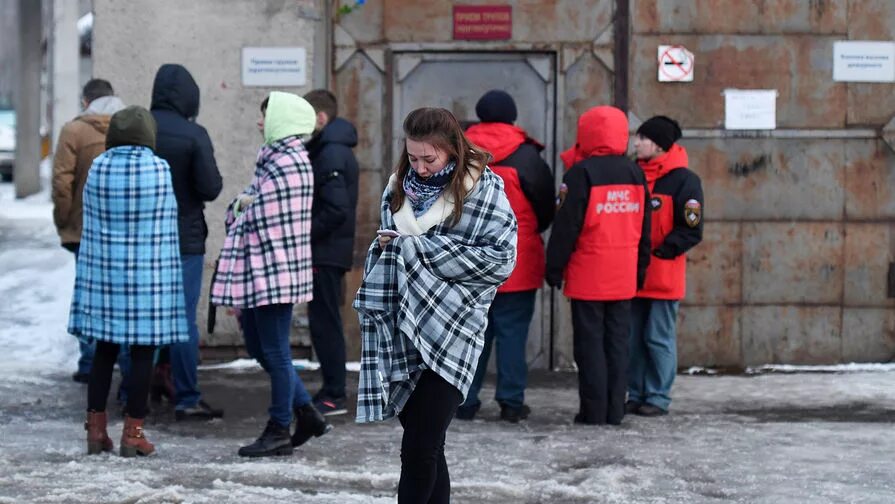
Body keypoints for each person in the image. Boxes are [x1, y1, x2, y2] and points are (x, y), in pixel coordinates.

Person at [354, 107, 517, 503]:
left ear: (453, 151)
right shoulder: (397, 190)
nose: (421, 167)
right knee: (429, 449)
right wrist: (390, 249)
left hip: (456, 330)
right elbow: (388, 250)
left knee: (418, 450)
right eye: (413, 157)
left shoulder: (484, 189)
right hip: (402, 330)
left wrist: (417, 249)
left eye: (430, 158)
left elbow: (501, 259)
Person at [211, 92, 331, 458]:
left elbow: (254, 214)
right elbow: (242, 206)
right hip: (265, 268)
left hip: (276, 269)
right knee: (259, 346)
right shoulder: (274, 159)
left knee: (275, 352)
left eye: (266, 117)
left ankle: (280, 428)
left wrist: (243, 205)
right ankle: (306, 413)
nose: (260, 123)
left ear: (282, 121)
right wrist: (243, 205)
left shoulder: (289, 163)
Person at [71, 106, 188, 457]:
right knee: (142, 351)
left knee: (105, 350)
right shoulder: (159, 169)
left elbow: (88, 215)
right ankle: (133, 433)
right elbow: (167, 219)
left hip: (105, 274)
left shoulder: (99, 168)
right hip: (147, 276)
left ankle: (96, 430)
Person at [545, 105, 651, 426]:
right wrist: (639, 271)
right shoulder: (635, 173)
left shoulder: (580, 173)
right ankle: (615, 411)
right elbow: (644, 228)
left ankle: (593, 412)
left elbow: (566, 228)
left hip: (589, 276)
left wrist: (554, 268)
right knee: (618, 345)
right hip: (622, 275)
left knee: (590, 347)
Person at [457, 90, 555, 423]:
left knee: (472, 335)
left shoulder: (459, 152)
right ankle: (511, 402)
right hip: (517, 258)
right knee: (513, 334)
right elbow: (545, 207)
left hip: (469, 260)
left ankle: (465, 401)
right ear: (512, 116)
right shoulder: (527, 156)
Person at [149, 64, 224, 420]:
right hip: (184, 240)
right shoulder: (195, 134)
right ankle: (187, 396)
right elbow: (211, 188)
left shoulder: (138, 128)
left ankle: (133, 389)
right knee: (181, 319)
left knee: (140, 315)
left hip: (142, 239)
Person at [627, 116, 704, 417]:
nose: (635, 143)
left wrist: (659, 252)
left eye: (642, 139)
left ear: (658, 144)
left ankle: (658, 396)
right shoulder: (633, 173)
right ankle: (636, 393)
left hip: (663, 276)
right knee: (633, 339)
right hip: (632, 275)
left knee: (657, 338)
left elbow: (691, 229)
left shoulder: (684, 181)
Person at [52, 79, 126, 384]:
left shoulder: (74, 130)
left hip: (84, 230)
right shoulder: (130, 129)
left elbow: (61, 182)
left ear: (86, 102)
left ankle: (89, 362)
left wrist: (64, 220)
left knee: (88, 296)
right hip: (122, 228)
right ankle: (123, 358)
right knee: (121, 294)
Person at [302, 89, 359, 416]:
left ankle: (334, 393)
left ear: (321, 118)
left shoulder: (331, 153)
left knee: (325, 323)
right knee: (323, 321)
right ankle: (331, 388)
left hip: (325, 251)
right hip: (326, 249)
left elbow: (336, 209)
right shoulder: (328, 149)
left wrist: (304, 232)